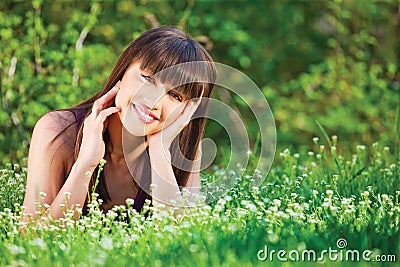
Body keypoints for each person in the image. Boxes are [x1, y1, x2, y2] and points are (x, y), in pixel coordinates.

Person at [22, 26, 216, 221]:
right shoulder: (58, 130)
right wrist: (85, 165)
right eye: (148, 79)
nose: (153, 101)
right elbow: (32, 238)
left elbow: (184, 244)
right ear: (124, 69)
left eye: (175, 95)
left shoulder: (186, 149)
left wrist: (160, 152)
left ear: (187, 110)